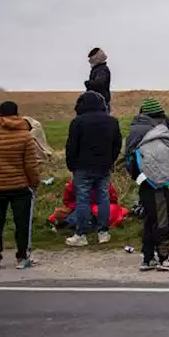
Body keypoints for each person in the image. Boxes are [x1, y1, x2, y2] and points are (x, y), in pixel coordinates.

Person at [0, 101, 41, 271]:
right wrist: (34, 184)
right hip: (20, 187)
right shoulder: (25, 136)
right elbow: (31, 165)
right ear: (17, 114)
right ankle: (22, 257)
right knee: (22, 223)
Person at [124, 98, 169, 272]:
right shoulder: (157, 130)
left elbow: (129, 159)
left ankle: (148, 257)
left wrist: (140, 178)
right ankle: (164, 257)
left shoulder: (134, 129)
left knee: (150, 218)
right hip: (156, 181)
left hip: (143, 180)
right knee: (161, 219)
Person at [64, 90, 122, 247]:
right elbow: (117, 144)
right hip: (104, 165)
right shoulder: (112, 121)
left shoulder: (78, 122)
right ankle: (103, 232)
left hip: (82, 166)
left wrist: (72, 164)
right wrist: (111, 160)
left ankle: (81, 234)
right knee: (103, 197)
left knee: (82, 199)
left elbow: (71, 146)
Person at [85, 47, 111, 112]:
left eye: (91, 58)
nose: (90, 61)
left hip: (100, 104)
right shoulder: (99, 69)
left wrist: (87, 83)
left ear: (96, 58)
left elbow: (99, 83)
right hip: (99, 103)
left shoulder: (101, 69)